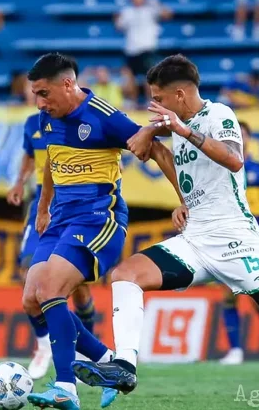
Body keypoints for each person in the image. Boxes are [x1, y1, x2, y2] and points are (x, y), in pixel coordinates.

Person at [72, 54, 259, 394]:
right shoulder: (172, 121)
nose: (154, 105)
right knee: (125, 275)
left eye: (158, 99)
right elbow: (174, 155)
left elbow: (234, 160)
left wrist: (181, 130)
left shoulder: (219, 114)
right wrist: (180, 194)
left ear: (180, 95)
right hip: (194, 239)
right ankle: (124, 367)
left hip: (235, 239)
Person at [21, 52, 181, 410]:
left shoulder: (104, 117)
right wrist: (43, 208)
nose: (39, 102)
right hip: (59, 217)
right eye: (35, 94)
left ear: (68, 84)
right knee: (32, 298)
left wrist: (184, 199)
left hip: (97, 217)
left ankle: (65, 387)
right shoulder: (47, 118)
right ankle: (108, 360)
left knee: (50, 290)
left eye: (44, 93)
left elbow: (156, 149)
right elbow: (50, 162)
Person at [6, 110, 98, 380]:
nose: (41, 99)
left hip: (74, 201)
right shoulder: (31, 122)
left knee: (77, 285)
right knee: (28, 269)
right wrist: (19, 182)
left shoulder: (84, 119)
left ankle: (84, 350)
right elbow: (29, 155)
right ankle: (44, 344)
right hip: (42, 203)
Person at [219, 120, 259, 365]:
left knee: (258, 292)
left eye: (244, 135)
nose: (240, 139)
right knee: (228, 293)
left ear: (249, 138)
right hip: (228, 236)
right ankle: (236, 350)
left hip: (254, 237)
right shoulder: (221, 168)